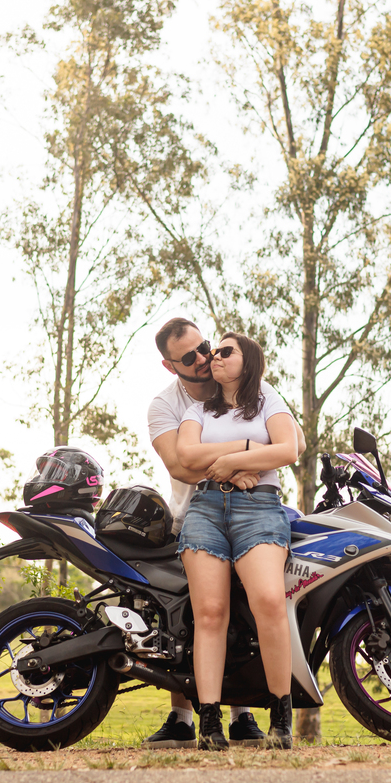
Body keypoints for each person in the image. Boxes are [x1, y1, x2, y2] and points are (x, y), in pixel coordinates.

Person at [144, 318, 303, 748]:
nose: (205, 358)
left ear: (246, 361)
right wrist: (247, 455)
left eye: (213, 349)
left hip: (259, 509)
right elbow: (184, 461)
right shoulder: (179, 407)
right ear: (170, 364)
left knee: (267, 601)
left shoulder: (265, 396)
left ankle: (273, 718)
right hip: (200, 509)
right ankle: (201, 721)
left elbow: (291, 448)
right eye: (192, 357)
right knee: (206, 614)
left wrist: (243, 461)